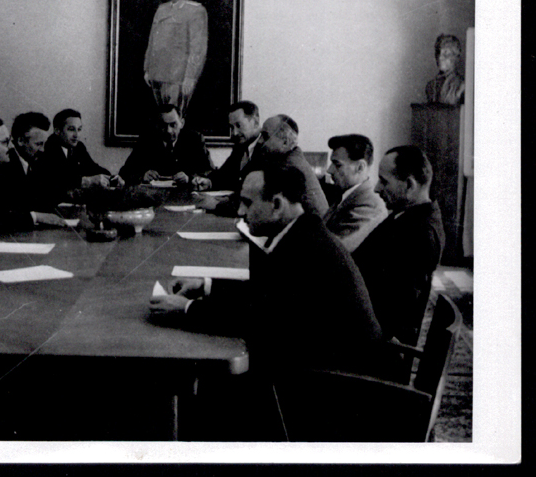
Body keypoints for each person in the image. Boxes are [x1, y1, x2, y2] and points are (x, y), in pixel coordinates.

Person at [151, 165, 384, 376]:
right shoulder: (303, 232)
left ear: (276, 205)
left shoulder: (305, 247)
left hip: (340, 382)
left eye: (248, 203)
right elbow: (265, 293)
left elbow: (260, 319)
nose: (241, 212)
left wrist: (188, 309)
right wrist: (206, 284)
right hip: (329, 362)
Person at [352, 145, 445, 346]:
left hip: (374, 349)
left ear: (409, 185)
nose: (376, 188)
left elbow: (394, 312)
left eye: (384, 181)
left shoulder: (421, 233)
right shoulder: (406, 215)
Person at [199, 114, 328, 217]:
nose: (260, 141)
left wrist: (216, 205)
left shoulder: (288, 166)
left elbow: (258, 205)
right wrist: (224, 200)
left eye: (265, 136)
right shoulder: (286, 157)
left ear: (285, 142)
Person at [143, 0, 208, 117]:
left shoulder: (195, 11)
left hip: (177, 77)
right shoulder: (162, 9)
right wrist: (147, 68)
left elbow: (198, 48)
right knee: (161, 119)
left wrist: (191, 77)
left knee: (175, 119)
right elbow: (152, 40)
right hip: (156, 74)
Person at [35, 108, 122, 204]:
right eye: (71, 129)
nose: (76, 135)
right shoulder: (47, 147)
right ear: (57, 131)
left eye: (79, 129)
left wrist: (111, 178)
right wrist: (87, 180)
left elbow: (92, 167)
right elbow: (59, 179)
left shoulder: (78, 147)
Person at [119, 104, 215, 187]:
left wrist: (189, 178)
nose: (168, 131)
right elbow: (124, 173)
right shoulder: (147, 140)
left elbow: (210, 171)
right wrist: (142, 176)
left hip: (185, 196)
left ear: (182, 123)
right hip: (155, 197)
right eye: (163, 125)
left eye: (173, 125)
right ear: (156, 125)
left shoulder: (195, 139)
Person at [322, 134, 388, 252]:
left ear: (360, 167)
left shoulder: (370, 206)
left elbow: (333, 252)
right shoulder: (345, 197)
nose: (329, 170)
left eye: (337, 164)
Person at [203, 100, 263, 192]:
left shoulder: (268, 147)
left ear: (255, 121)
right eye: (232, 127)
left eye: (238, 125)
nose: (234, 133)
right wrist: (208, 182)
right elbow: (224, 174)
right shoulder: (240, 147)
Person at [0, 111, 53, 210]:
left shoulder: (38, 162)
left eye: (44, 144)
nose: (43, 150)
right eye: (38, 144)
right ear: (20, 141)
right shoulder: (5, 166)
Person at [425, 33, 465, 105]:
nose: (440, 58)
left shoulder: (462, 85)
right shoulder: (430, 86)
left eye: (446, 54)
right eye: (438, 53)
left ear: (456, 57)